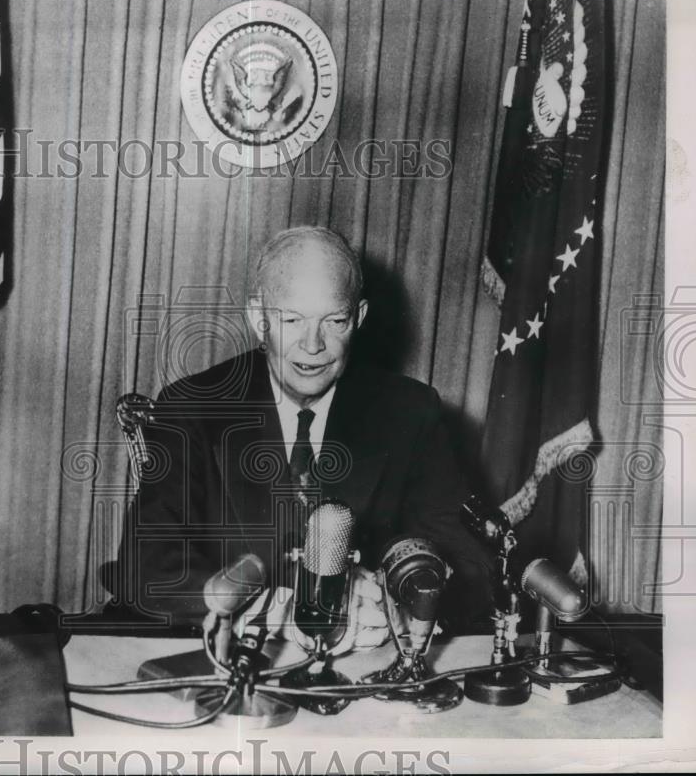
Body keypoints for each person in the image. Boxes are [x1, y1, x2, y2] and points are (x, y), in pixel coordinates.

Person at [112, 226, 492, 644]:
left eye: (335, 321)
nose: (314, 345)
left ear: (359, 318)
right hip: (230, 665)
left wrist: (397, 604)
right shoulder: (194, 407)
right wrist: (274, 612)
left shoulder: (410, 411)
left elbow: (468, 561)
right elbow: (145, 567)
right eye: (291, 320)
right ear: (258, 318)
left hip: (362, 669)